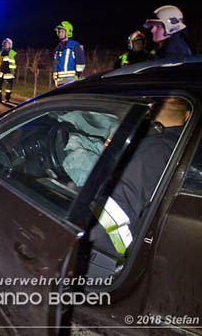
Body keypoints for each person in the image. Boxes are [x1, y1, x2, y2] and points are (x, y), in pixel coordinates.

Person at [89, 97, 190, 258]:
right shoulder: (181, 146)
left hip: (109, 256)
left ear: (150, 114)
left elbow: (112, 224)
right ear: (187, 116)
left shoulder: (153, 151)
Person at [53, 21, 86, 86]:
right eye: (59, 32)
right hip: (60, 82)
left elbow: (81, 62)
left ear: (68, 32)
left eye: (62, 31)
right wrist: (56, 78)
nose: (60, 34)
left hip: (72, 81)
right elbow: (56, 64)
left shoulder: (74, 46)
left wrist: (77, 75)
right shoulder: (57, 48)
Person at [0, 38, 16, 103]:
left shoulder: (12, 52)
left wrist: (13, 71)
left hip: (9, 72)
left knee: (8, 88)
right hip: (1, 72)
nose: (6, 45)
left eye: (7, 44)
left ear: (10, 45)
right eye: (5, 44)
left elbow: (14, 62)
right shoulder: (1, 52)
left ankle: (7, 99)